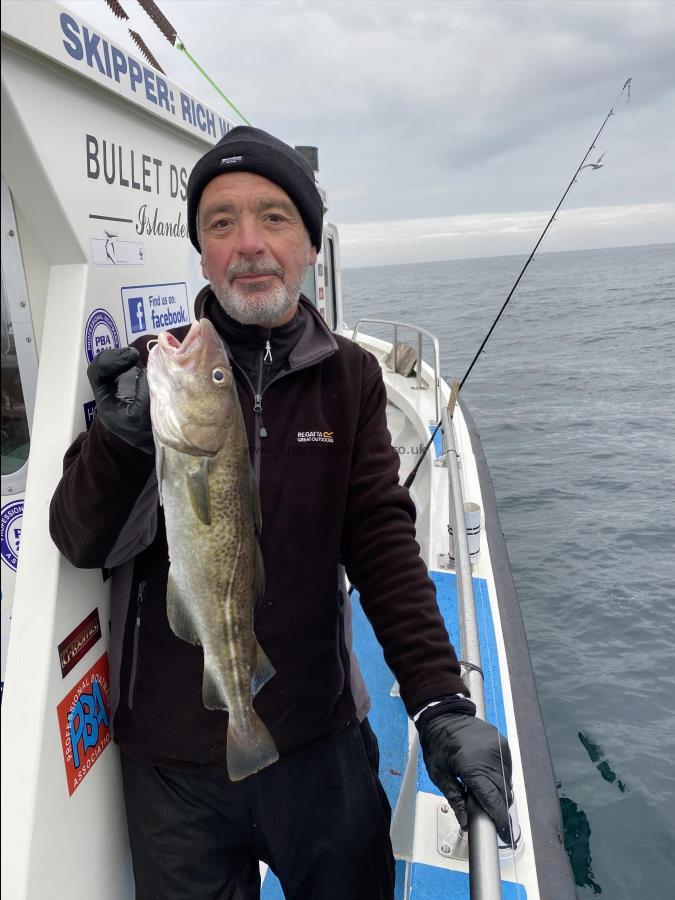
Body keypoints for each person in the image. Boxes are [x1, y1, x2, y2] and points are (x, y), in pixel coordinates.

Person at [50, 126, 513, 900]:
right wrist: (120, 442)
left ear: (307, 241)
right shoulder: (155, 370)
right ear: (200, 250)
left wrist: (438, 702)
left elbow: (382, 547)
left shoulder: (352, 380)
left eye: (273, 218)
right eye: (221, 223)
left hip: (316, 737)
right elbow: (77, 535)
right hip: (169, 764)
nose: (249, 244)